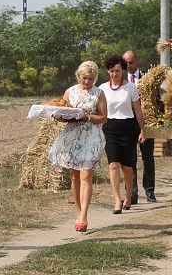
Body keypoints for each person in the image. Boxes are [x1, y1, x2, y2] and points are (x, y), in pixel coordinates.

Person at [48, 61, 108, 232]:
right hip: (72, 137)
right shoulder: (70, 91)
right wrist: (58, 115)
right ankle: (78, 210)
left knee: (86, 175)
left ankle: (84, 216)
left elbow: (103, 117)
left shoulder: (99, 93)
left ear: (95, 78)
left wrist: (86, 117)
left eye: (91, 78)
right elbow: (62, 111)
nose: (87, 82)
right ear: (78, 76)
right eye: (84, 78)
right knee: (74, 176)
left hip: (91, 136)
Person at [99, 55, 146, 215]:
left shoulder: (131, 87)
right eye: (112, 71)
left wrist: (142, 130)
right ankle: (117, 199)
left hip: (128, 128)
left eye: (117, 71)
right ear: (108, 72)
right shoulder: (103, 88)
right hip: (109, 128)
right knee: (113, 164)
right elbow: (98, 109)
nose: (115, 74)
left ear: (123, 70)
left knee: (127, 166)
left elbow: (138, 110)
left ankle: (128, 196)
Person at [123, 50, 156, 204]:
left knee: (148, 158)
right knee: (130, 159)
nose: (128, 66)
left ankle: (150, 191)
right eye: (125, 63)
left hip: (146, 122)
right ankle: (132, 193)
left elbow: (157, 98)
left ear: (137, 61)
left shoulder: (148, 77)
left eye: (130, 62)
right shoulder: (121, 79)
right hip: (128, 123)